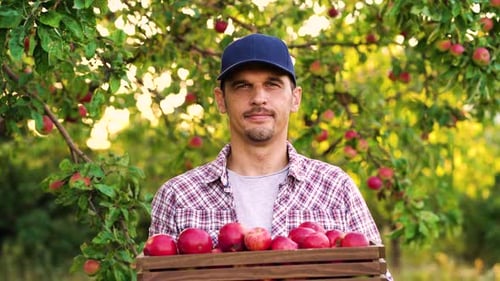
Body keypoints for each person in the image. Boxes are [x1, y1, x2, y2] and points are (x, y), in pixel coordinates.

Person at [148, 33, 393, 280]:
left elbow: (377, 276)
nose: (258, 98)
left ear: (295, 98)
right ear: (221, 100)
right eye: (243, 86)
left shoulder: (335, 188)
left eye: (272, 84)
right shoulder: (178, 196)